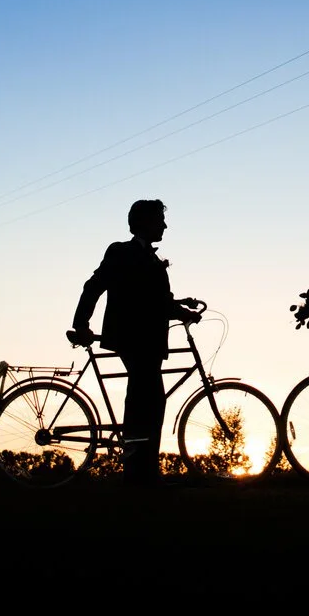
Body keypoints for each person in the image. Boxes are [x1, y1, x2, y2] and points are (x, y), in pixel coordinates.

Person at [69, 199, 201, 486]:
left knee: (151, 399)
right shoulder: (121, 252)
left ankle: (144, 468)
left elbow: (158, 302)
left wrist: (182, 309)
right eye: (159, 220)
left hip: (148, 340)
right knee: (146, 396)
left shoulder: (153, 261)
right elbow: (95, 285)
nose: (164, 225)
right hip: (132, 338)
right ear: (143, 222)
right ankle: (137, 470)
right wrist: (81, 323)